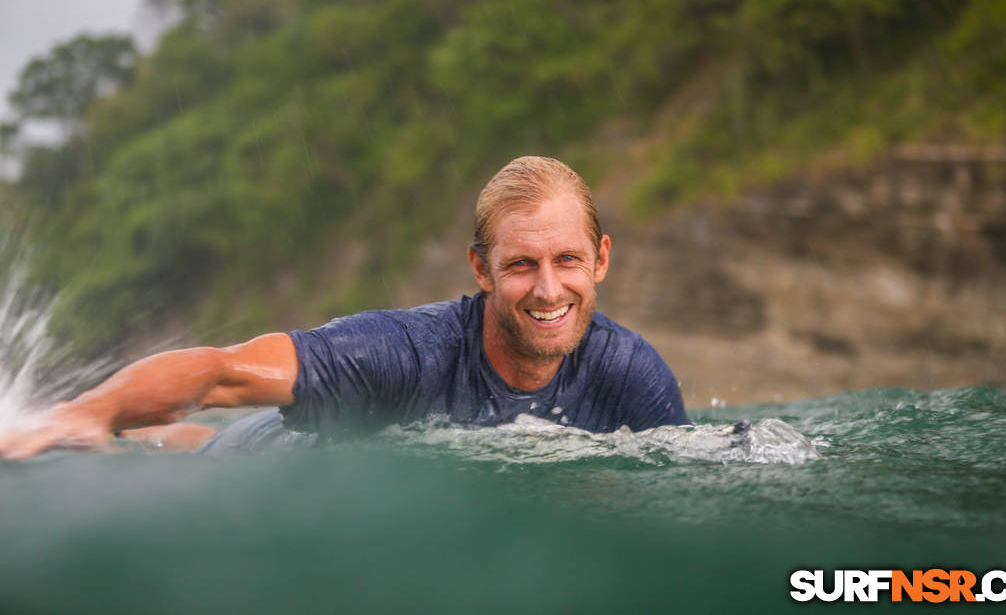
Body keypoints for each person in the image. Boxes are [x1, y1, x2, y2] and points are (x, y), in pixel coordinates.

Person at [0, 156, 689, 459]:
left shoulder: (630, 373)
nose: (547, 289)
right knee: (186, 449)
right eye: (520, 264)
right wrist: (85, 413)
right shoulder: (399, 352)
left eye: (566, 260)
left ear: (599, 258)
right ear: (481, 268)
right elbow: (223, 372)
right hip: (257, 472)